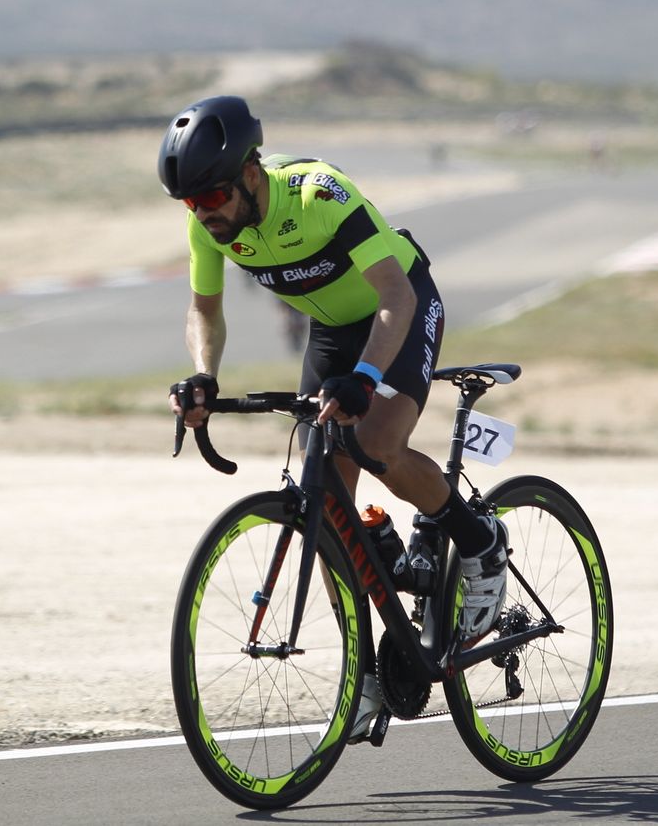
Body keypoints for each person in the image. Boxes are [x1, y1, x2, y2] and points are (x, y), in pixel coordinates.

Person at [159, 96, 508, 737]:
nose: (205, 216)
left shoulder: (320, 195)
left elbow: (394, 297)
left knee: (374, 441)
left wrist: (368, 378)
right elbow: (204, 310)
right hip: (330, 331)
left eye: (211, 198)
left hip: (396, 309)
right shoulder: (209, 224)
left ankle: (480, 542)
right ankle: (365, 672)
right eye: (191, 204)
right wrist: (205, 376)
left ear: (249, 173)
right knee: (326, 503)